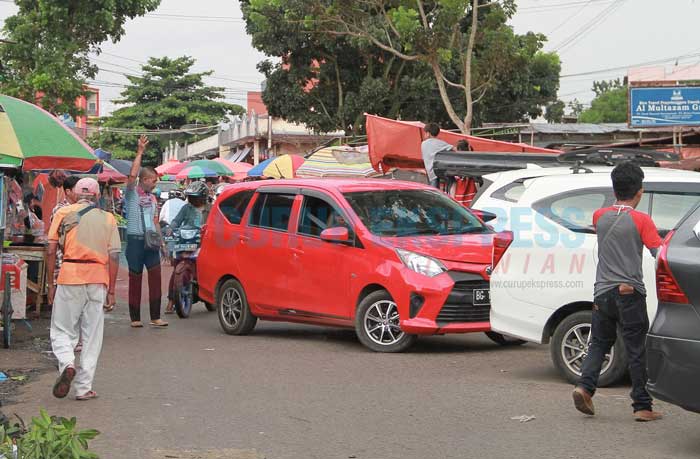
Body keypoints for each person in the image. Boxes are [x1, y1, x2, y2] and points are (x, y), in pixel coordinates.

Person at [572, 161, 663, 422]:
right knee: (636, 349)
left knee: (599, 343)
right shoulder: (642, 220)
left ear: (614, 188)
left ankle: (584, 387)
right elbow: (659, 252)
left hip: (602, 292)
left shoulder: (599, 216)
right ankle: (642, 407)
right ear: (640, 192)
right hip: (629, 292)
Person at [47, 178, 120, 400]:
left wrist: (50, 283)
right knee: (92, 335)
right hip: (97, 278)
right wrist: (112, 290)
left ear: (75, 195)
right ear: (97, 196)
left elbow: (51, 250)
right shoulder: (108, 218)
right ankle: (84, 388)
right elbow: (114, 255)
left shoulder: (62, 214)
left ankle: (68, 363)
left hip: (70, 275)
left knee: (62, 329)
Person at [125, 135, 168, 328]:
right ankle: (135, 318)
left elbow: (156, 221)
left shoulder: (152, 199)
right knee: (135, 278)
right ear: (144, 180)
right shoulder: (131, 194)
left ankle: (155, 316)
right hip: (134, 241)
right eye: (153, 181)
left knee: (156, 277)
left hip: (151, 242)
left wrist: (162, 243)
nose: (154, 185)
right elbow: (132, 176)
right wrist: (140, 152)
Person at [164, 181, 210, 314]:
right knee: (176, 269)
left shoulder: (211, 209)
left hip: (203, 244)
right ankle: (171, 300)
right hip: (185, 241)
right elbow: (177, 221)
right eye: (190, 197)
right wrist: (170, 228)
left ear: (203, 197)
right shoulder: (186, 208)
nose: (192, 200)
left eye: (195, 197)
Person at [421, 122, 454, 188]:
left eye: (425, 133)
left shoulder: (423, 144)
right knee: (452, 181)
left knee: (434, 190)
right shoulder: (440, 143)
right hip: (440, 171)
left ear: (428, 133)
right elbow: (453, 148)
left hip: (430, 173)